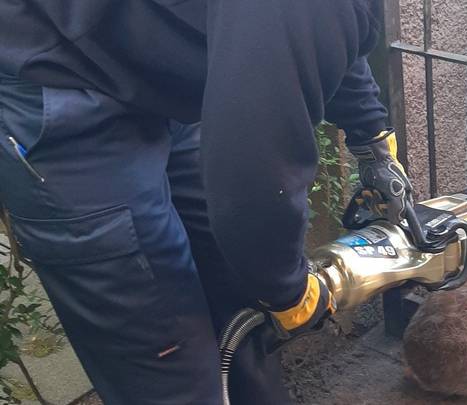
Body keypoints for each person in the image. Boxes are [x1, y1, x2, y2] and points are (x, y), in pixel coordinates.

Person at [0, 1, 412, 404]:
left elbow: (323, 24)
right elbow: (253, 181)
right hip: (57, 81)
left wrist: (370, 135)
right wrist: (289, 292)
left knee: (242, 307)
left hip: (159, 61)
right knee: (167, 359)